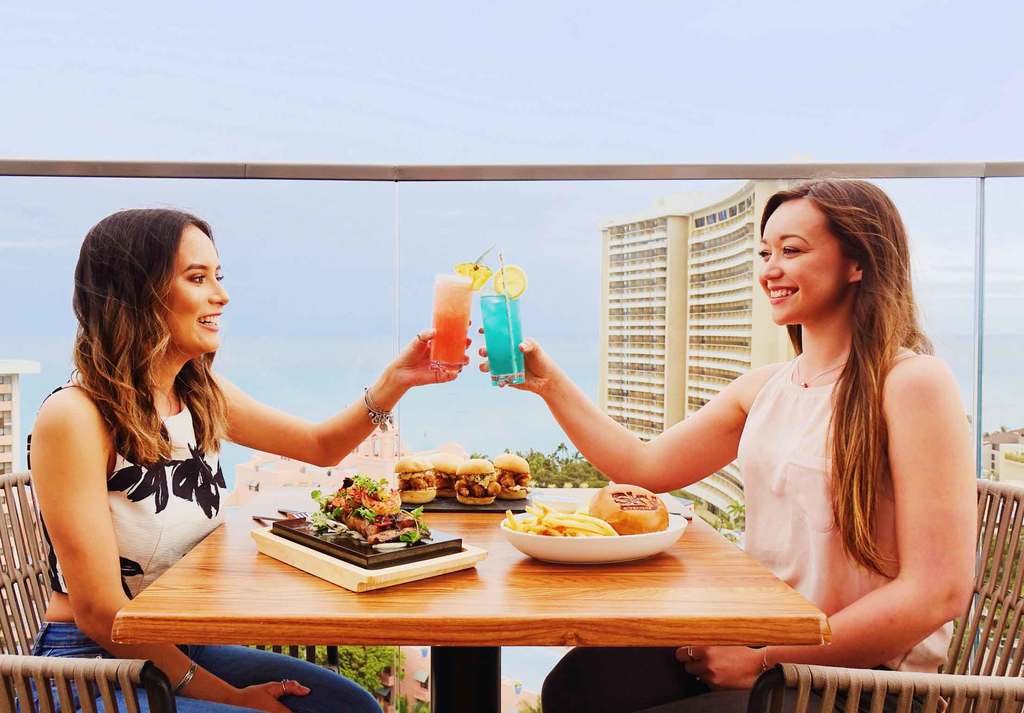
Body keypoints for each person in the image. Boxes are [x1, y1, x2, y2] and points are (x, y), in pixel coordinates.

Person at [480, 179, 977, 712]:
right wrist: (550, 385)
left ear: (858, 262)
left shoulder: (911, 382)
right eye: (765, 253)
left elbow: (937, 592)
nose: (770, 270)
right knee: (579, 686)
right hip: (764, 641)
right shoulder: (766, 387)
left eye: (792, 251)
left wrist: (765, 661)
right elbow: (644, 467)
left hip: (858, 682)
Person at [29, 208, 469, 712]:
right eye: (198, 278)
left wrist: (397, 381)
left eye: (218, 276)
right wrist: (231, 697)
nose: (222, 295)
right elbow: (99, 611)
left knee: (351, 707)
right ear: (137, 292)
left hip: (180, 643)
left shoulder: (197, 392)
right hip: (93, 668)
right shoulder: (75, 416)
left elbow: (320, 445)